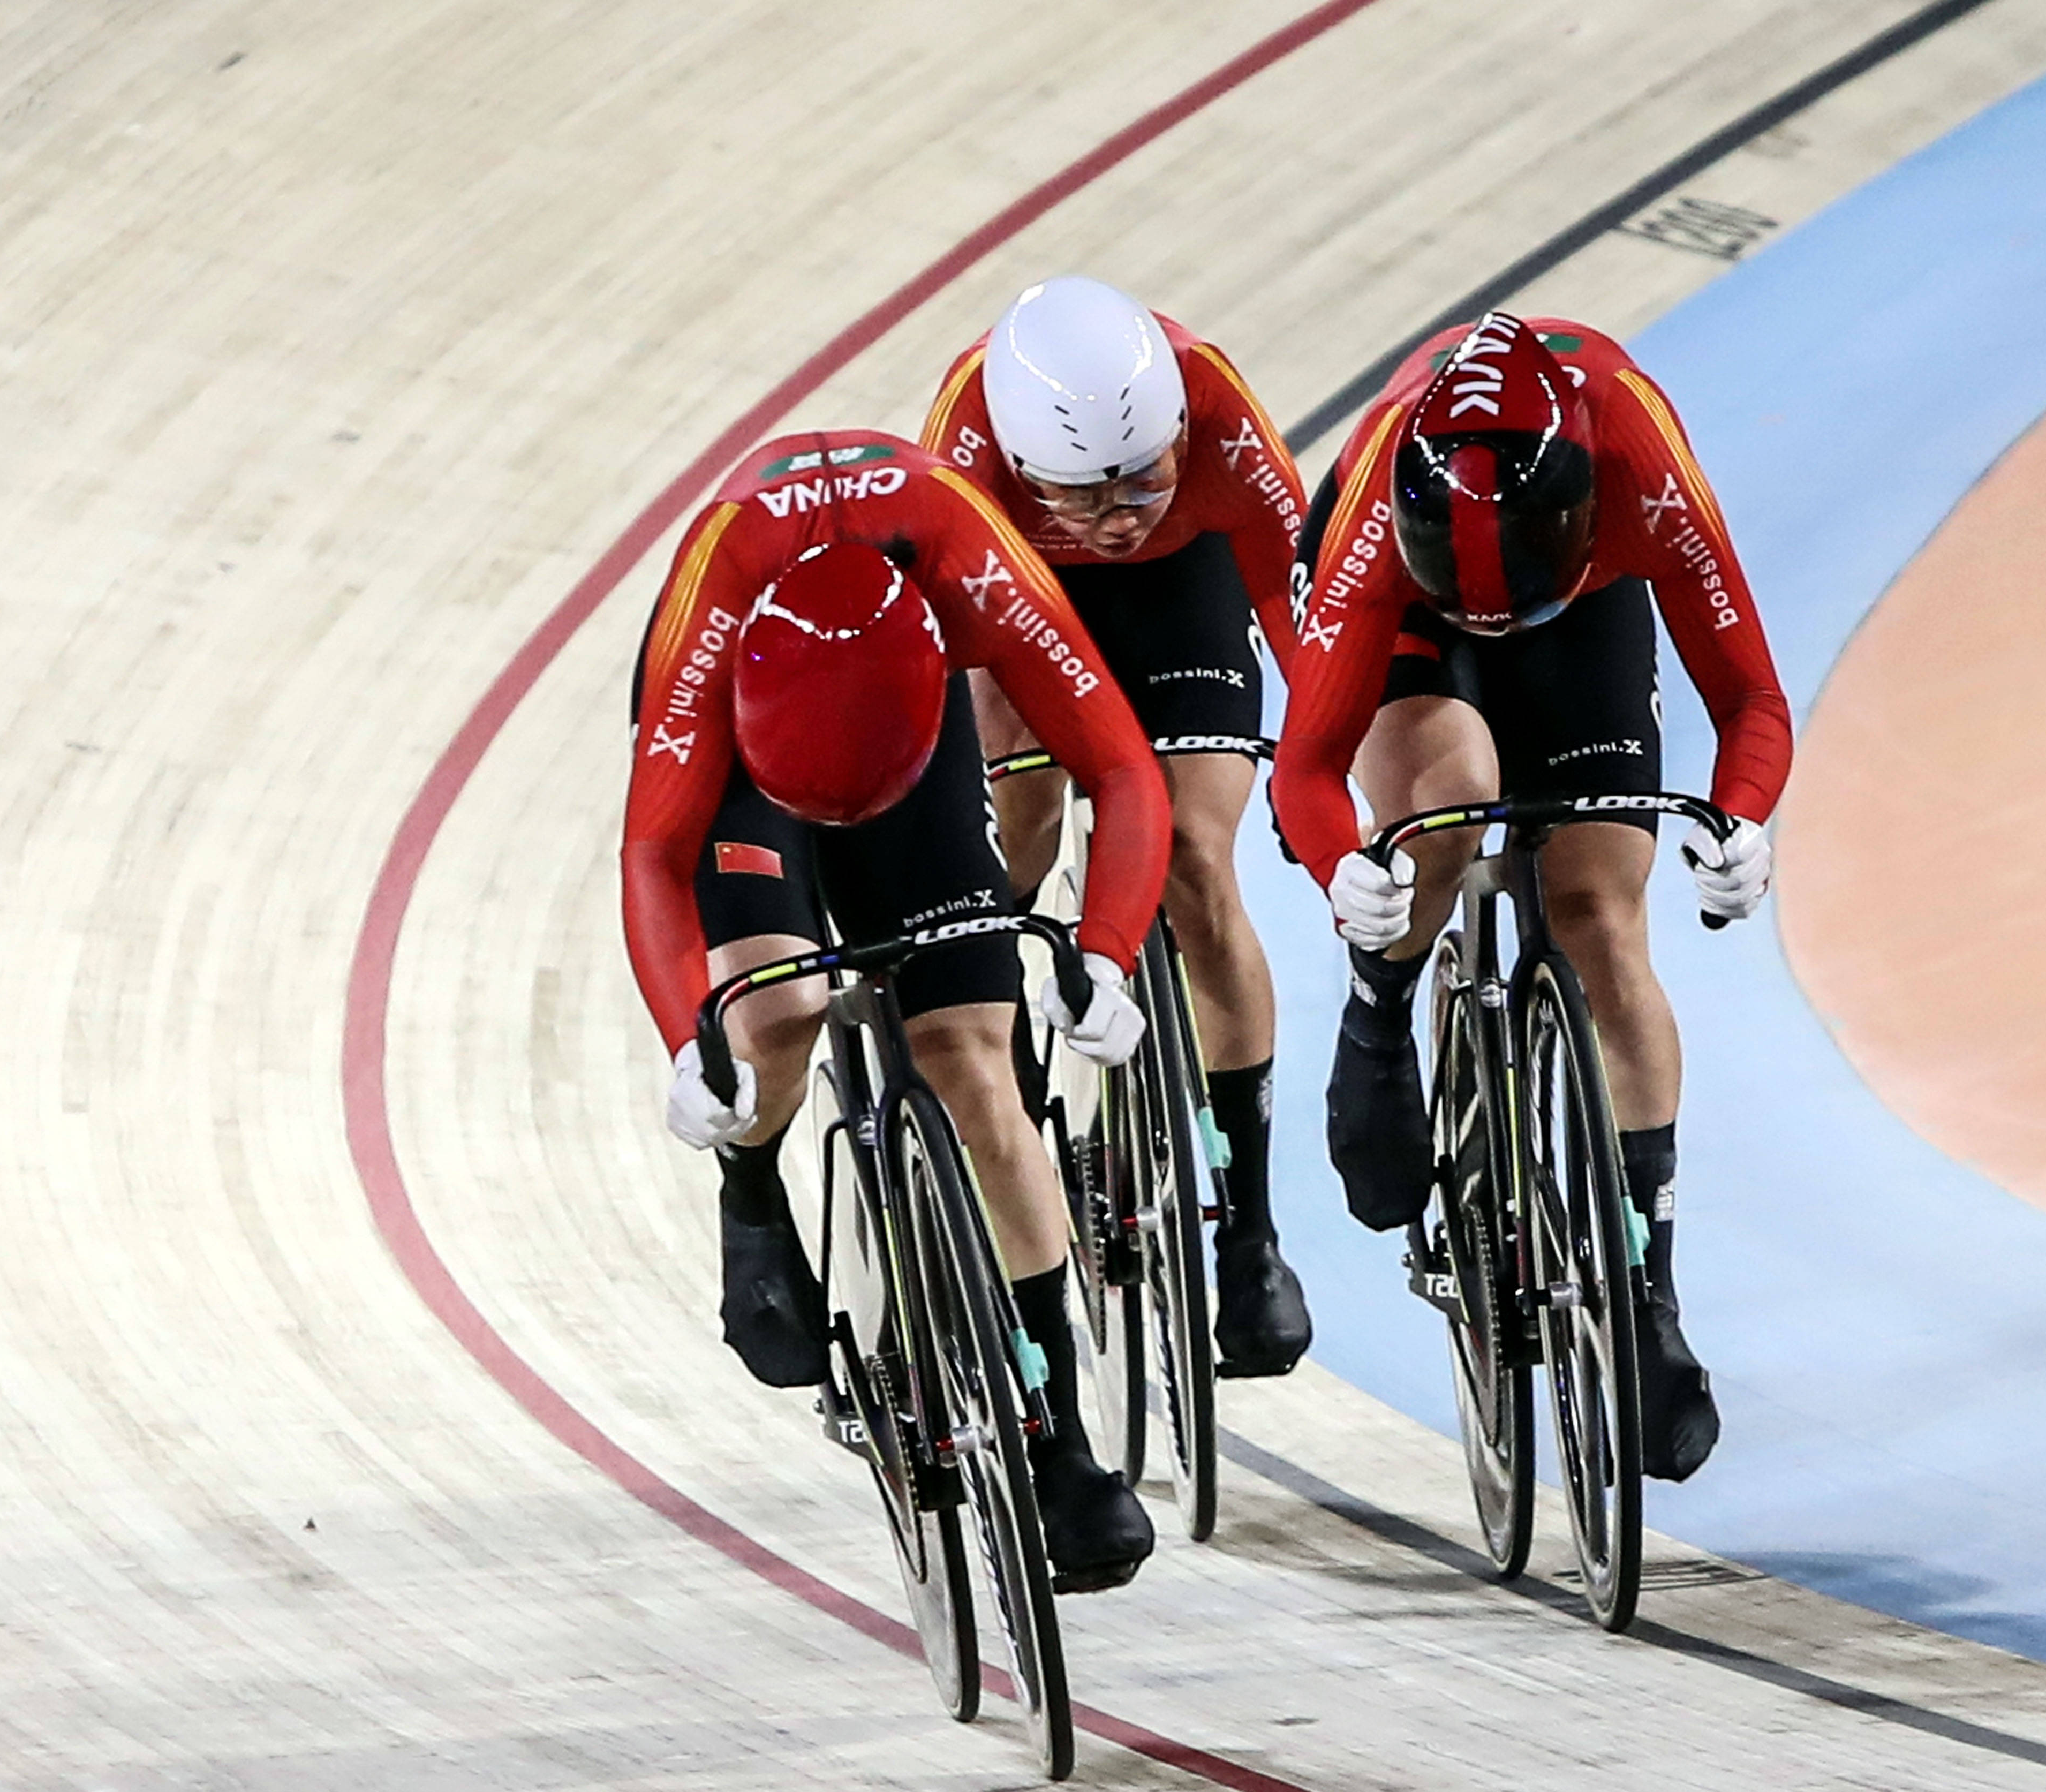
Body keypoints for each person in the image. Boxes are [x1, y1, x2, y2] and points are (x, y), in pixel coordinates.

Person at [621, 428, 1169, 1591]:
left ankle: (1058, 1437)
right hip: (751, 763)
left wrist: (1107, 952)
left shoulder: (977, 562)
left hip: (910, 755)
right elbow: (655, 856)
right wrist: (691, 1041)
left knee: (976, 1062)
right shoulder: (713, 612)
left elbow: (1121, 770)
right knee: (778, 1011)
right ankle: (754, 1194)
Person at [1271, 313, 1791, 1484]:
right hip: (1406, 617)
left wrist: (1742, 819)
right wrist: (1349, 870)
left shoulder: (1638, 463)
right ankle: (1381, 1014)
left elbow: (1750, 696)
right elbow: (1306, 765)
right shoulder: (1373, 518)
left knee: (1601, 915)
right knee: (1450, 797)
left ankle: (1646, 1291)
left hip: (1583, 605)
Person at [923, 275, 1312, 1379]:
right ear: (1020, 461)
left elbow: (1297, 604)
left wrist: (1319, 773)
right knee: (1013, 831)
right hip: (1027, 598)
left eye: (1144, 478)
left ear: (1178, 430)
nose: (1120, 513)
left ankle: (1248, 1231)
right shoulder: (969, 447)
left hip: (1182, 596)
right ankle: (997, 1088)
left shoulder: (1218, 409)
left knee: (1196, 860)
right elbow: (949, 647)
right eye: (1084, 496)